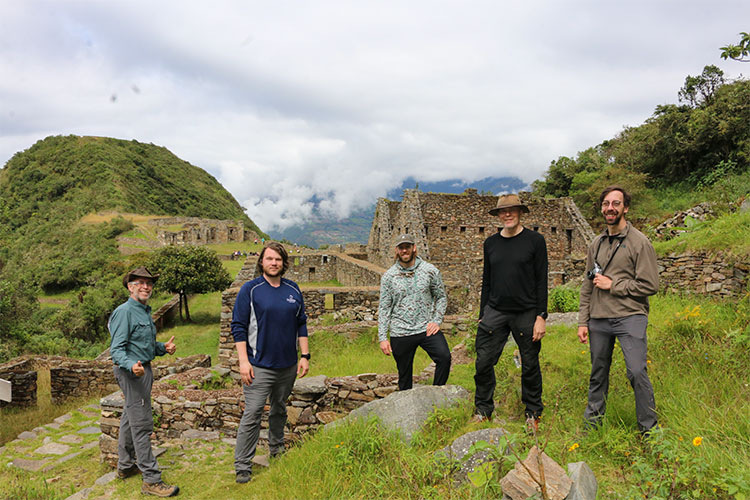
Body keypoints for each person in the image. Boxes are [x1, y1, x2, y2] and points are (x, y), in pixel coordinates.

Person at [578, 186, 659, 433]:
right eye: (605, 204)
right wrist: (583, 320)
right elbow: (587, 283)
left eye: (615, 203)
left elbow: (651, 284)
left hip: (630, 317)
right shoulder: (597, 243)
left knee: (636, 372)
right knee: (597, 373)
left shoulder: (639, 242)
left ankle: (649, 430)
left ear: (625, 208)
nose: (609, 208)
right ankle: (592, 427)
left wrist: (615, 285)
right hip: (599, 320)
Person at [231, 242, 310, 484]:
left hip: (287, 366)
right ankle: (243, 465)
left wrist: (305, 356)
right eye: (269, 259)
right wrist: (244, 362)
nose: (274, 263)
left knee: (279, 410)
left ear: (284, 263)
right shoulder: (251, 290)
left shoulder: (293, 289)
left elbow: (301, 324)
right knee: (253, 413)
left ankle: (277, 450)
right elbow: (238, 326)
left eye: (278, 259)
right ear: (262, 262)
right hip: (259, 366)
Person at [473, 194, 548, 432]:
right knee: (484, 361)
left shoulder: (535, 241)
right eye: (503, 211)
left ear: (520, 212)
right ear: (498, 216)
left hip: (526, 312)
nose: (507, 214)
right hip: (495, 311)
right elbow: (487, 280)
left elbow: (541, 280)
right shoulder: (491, 243)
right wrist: (482, 312)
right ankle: (483, 410)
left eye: (512, 210)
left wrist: (541, 316)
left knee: (529, 364)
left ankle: (533, 413)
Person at [108, 267, 179, 497]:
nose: (146, 286)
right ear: (130, 287)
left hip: (143, 370)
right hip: (132, 374)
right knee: (142, 425)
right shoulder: (124, 312)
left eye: (149, 283)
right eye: (140, 283)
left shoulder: (144, 311)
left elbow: (144, 345)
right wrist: (131, 366)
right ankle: (151, 480)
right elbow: (116, 351)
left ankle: (126, 466)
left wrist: (162, 348)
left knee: (130, 418)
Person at [377, 234, 450, 391]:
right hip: (400, 331)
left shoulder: (430, 271)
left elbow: (441, 297)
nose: (405, 250)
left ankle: (436, 394)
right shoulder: (389, 277)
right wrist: (382, 337)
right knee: (404, 375)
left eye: (408, 247)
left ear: (414, 248)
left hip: (426, 328)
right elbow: (384, 307)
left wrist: (436, 320)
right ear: (397, 250)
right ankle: (406, 407)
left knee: (444, 357)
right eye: (401, 248)